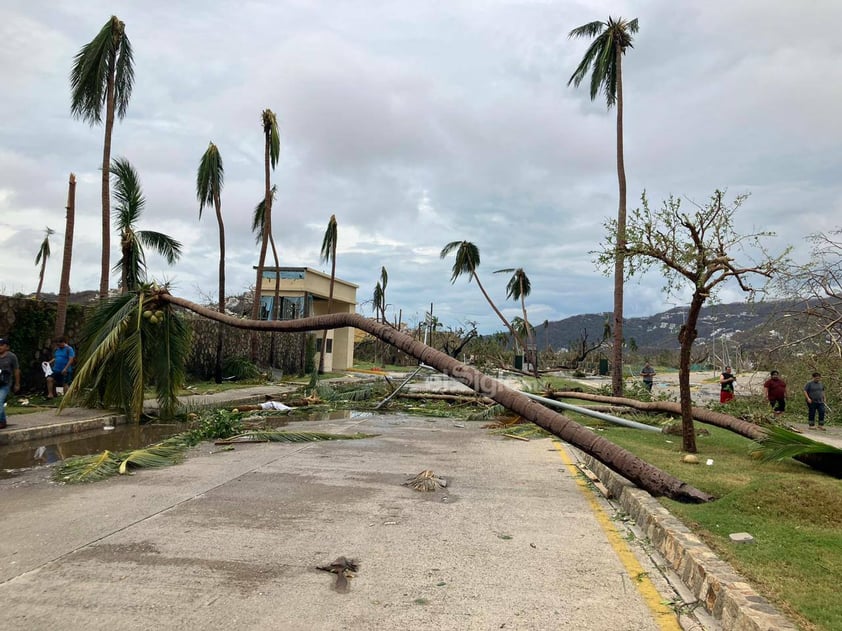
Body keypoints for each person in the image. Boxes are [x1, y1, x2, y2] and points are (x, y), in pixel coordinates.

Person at [0, 337, 22, 429]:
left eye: (1, 345)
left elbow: (16, 370)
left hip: (5, 382)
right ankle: (3, 420)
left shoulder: (11, 356)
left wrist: (17, 383)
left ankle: (1, 421)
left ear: (7, 347)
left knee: (0, 400)